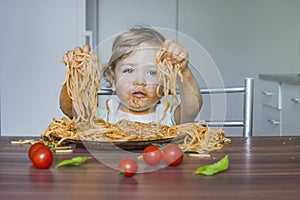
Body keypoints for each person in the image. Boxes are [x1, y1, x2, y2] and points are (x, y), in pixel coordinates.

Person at [60, 26, 202, 125]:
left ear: (165, 83)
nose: (140, 81)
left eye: (152, 72)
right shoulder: (105, 116)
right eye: (128, 71)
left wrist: (183, 71)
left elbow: (192, 107)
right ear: (112, 79)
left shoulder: (167, 116)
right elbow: (69, 109)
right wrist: (75, 74)